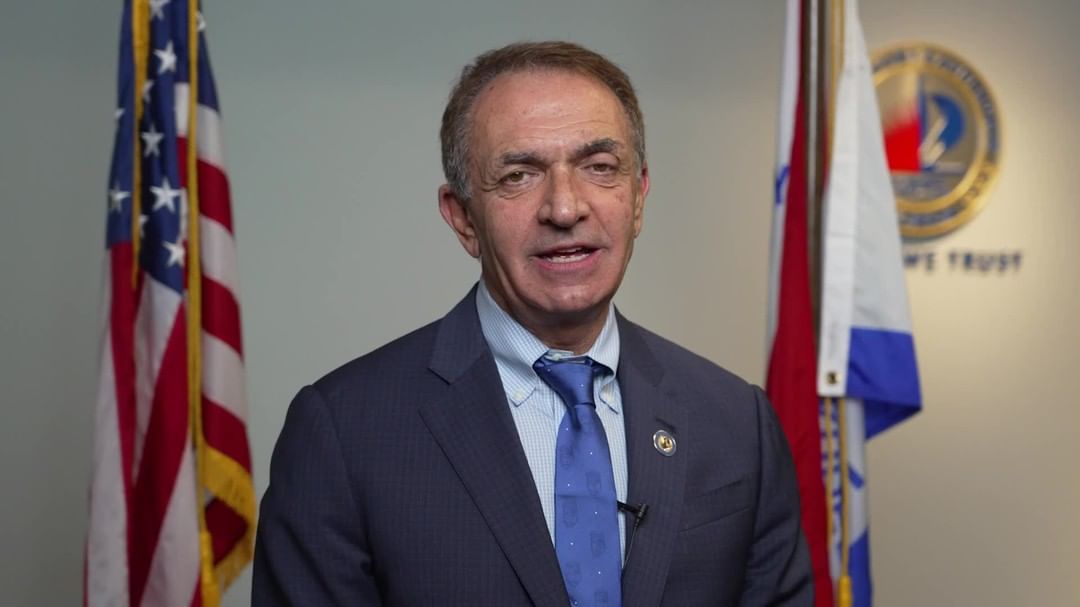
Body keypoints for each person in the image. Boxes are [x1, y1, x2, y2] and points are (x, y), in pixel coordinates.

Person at [253, 41, 812, 606]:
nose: (565, 208)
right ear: (463, 218)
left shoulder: (737, 422)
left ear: (638, 196)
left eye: (599, 168)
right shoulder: (344, 433)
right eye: (519, 175)